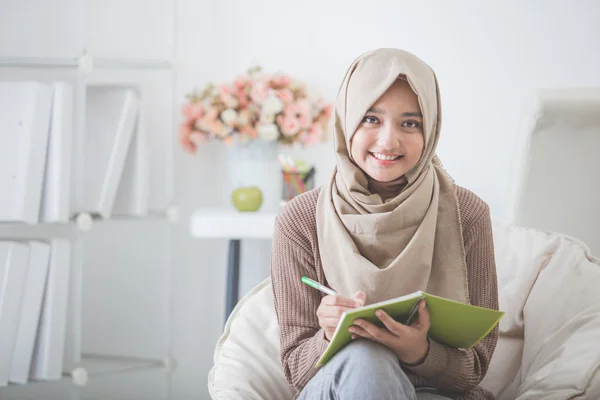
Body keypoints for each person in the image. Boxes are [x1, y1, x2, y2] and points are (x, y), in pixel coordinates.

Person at [270, 48, 499, 400]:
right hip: (338, 389)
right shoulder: (300, 219)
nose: (388, 141)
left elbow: (475, 370)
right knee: (366, 358)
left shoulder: (467, 214)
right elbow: (296, 371)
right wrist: (329, 335)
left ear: (431, 128)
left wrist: (419, 352)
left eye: (410, 123)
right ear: (347, 120)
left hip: (431, 394)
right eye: (370, 119)